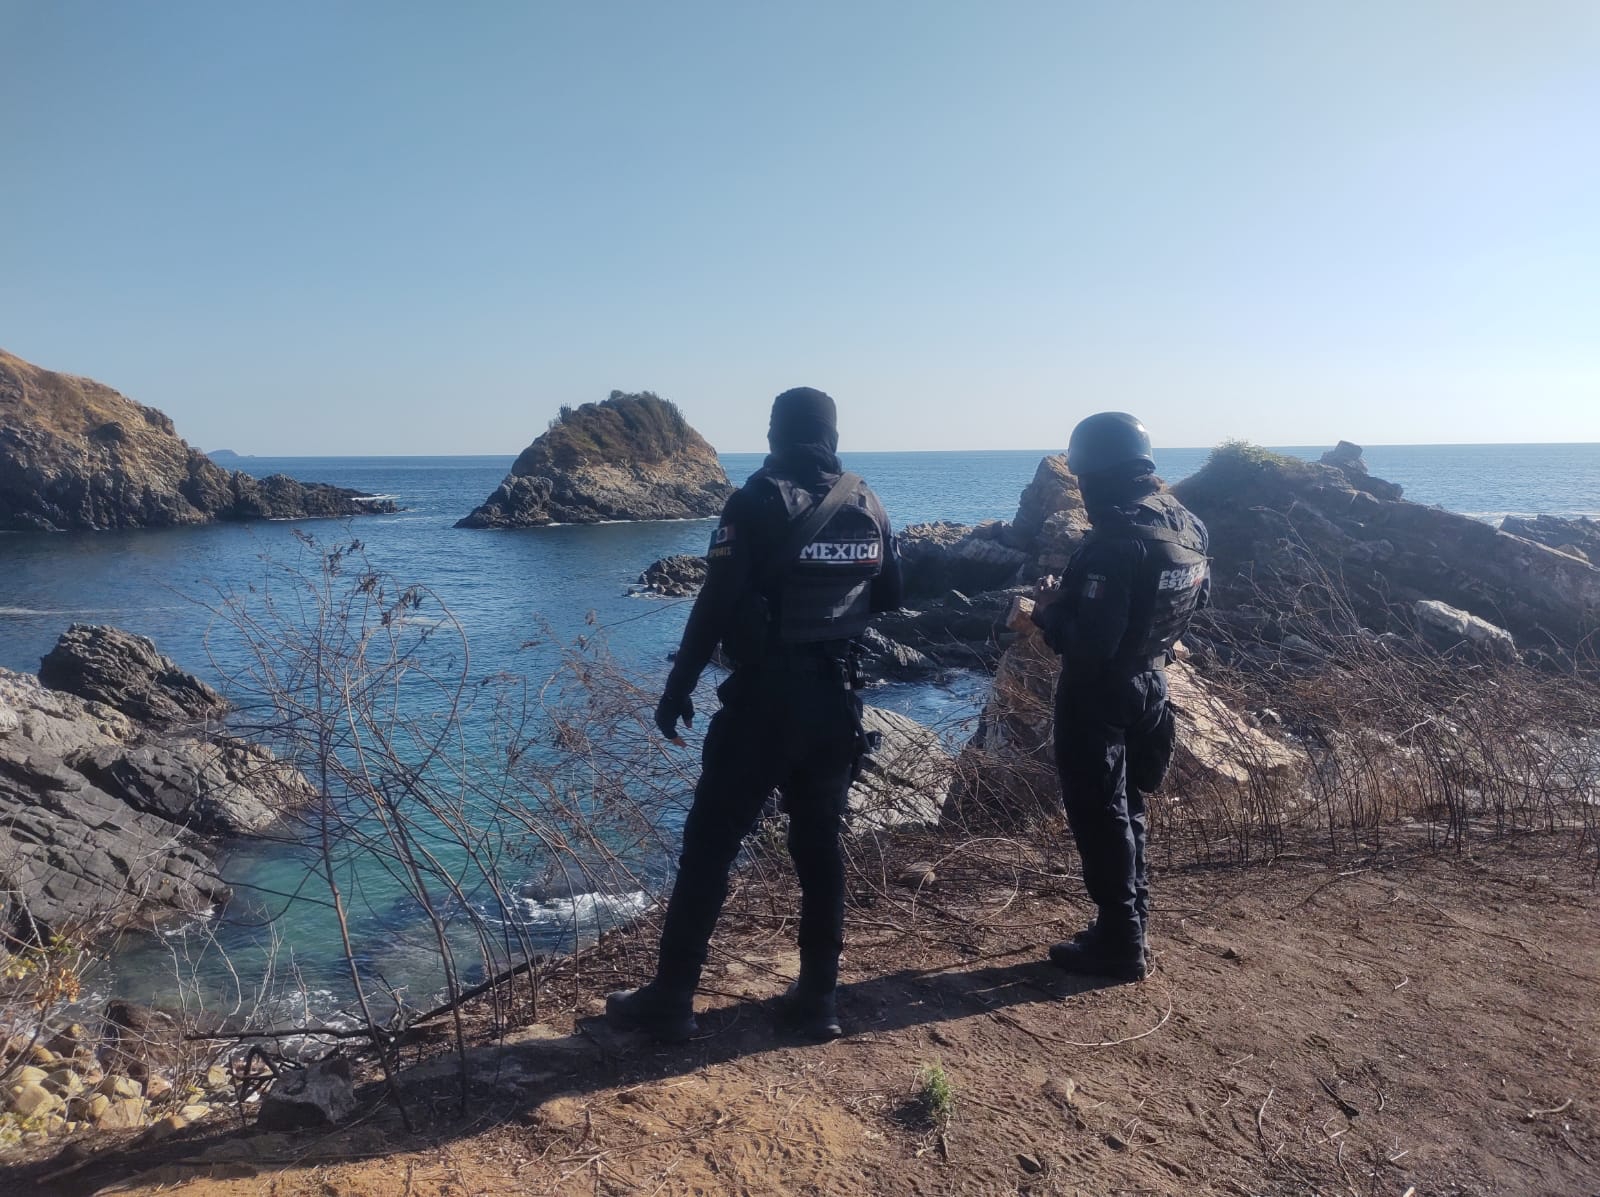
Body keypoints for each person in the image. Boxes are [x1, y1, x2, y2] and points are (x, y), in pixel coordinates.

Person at [606, 386, 902, 1042]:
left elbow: (714, 603)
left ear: (775, 433)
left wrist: (677, 686)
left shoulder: (754, 500)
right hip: (837, 704)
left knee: (710, 847)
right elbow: (892, 591)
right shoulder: (868, 501)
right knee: (820, 846)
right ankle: (820, 999)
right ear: (831, 434)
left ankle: (673, 998)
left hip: (765, 703)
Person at [1030, 412, 1209, 982]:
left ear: (1093, 472)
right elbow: (1194, 606)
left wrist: (1050, 611)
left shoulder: (1114, 542)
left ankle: (1120, 942)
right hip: (1152, 683)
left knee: (1099, 812)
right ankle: (1128, 923)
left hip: (1099, 692)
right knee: (1128, 806)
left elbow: (1090, 644)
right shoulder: (1187, 525)